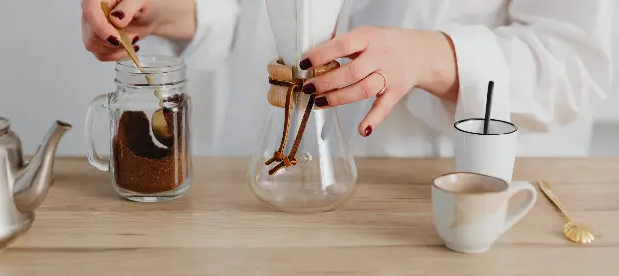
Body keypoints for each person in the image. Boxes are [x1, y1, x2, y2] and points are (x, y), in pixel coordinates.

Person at [80, 0, 614, 157]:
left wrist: (432, 56)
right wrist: (164, 12)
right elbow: (260, 17)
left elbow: (576, 61)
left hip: (448, 196)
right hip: (272, 187)